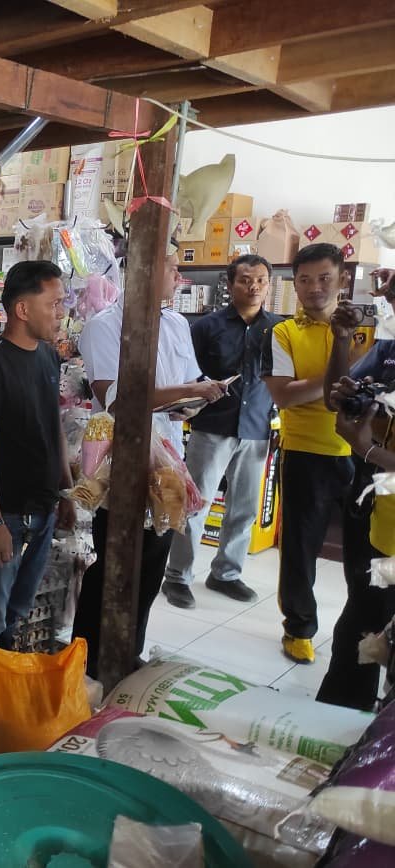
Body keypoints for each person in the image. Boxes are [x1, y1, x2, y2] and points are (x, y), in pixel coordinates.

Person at [73, 254, 226, 677]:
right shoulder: (104, 327)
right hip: (121, 462)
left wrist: (195, 400)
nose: (179, 275)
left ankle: (128, 652)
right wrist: (186, 391)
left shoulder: (176, 324)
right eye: (171, 266)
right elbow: (116, 399)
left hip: (168, 459)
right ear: (143, 269)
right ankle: (87, 661)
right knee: (113, 564)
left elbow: (186, 387)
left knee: (153, 560)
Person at [0, 260, 75, 649]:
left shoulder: (48, 356)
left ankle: (3, 680)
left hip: (42, 509)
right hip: (4, 515)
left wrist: (66, 492)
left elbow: (53, 427)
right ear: (22, 309)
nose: (60, 313)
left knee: (16, 611)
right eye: (54, 304)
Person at [161, 255, 281, 609]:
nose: (253, 286)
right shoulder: (206, 327)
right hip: (213, 426)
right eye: (245, 279)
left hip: (257, 428)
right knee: (196, 504)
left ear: (269, 285)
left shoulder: (278, 329)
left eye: (260, 280)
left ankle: (226, 573)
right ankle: (177, 576)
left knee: (243, 508)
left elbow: (281, 380)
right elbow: (186, 374)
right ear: (230, 285)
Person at [262, 243, 361, 664]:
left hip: (365, 453)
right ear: (294, 284)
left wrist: (318, 386)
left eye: (324, 278)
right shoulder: (283, 333)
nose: (314, 287)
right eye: (304, 279)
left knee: (365, 552)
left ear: (342, 279)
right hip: (305, 451)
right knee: (300, 549)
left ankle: (363, 626)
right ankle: (299, 628)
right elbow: (284, 395)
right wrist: (341, 381)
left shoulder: (369, 329)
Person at [317, 265, 395, 710]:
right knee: (363, 612)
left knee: (373, 619)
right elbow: (336, 396)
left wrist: (367, 450)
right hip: (375, 506)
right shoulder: (388, 346)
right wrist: (342, 341)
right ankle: (340, 716)